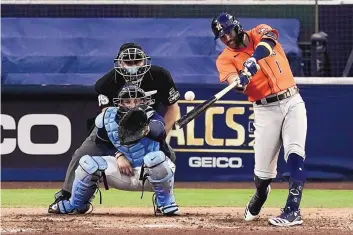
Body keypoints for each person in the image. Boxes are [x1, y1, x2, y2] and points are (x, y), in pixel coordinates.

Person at [48, 43, 180, 213]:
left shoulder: (160, 76)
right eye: (128, 62)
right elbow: (107, 121)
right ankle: (68, 196)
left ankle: (164, 201)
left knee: (168, 156)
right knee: (82, 154)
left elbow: (173, 108)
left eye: (137, 61)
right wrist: (118, 153)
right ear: (120, 63)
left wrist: (160, 137)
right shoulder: (106, 84)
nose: (133, 67)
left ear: (144, 61)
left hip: (145, 124)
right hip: (113, 127)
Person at [211, 13, 307, 226]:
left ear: (237, 27)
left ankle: (292, 210)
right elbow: (233, 80)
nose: (226, 38)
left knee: (295, 153)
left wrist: (253, 60)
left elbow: (269, 42)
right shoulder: (225, 58)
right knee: (262, 175)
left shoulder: (260, 31)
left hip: (292, 100)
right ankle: (261, 194)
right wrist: (240, 80)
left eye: (227, 32)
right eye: (221, 36)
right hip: (265, 110)